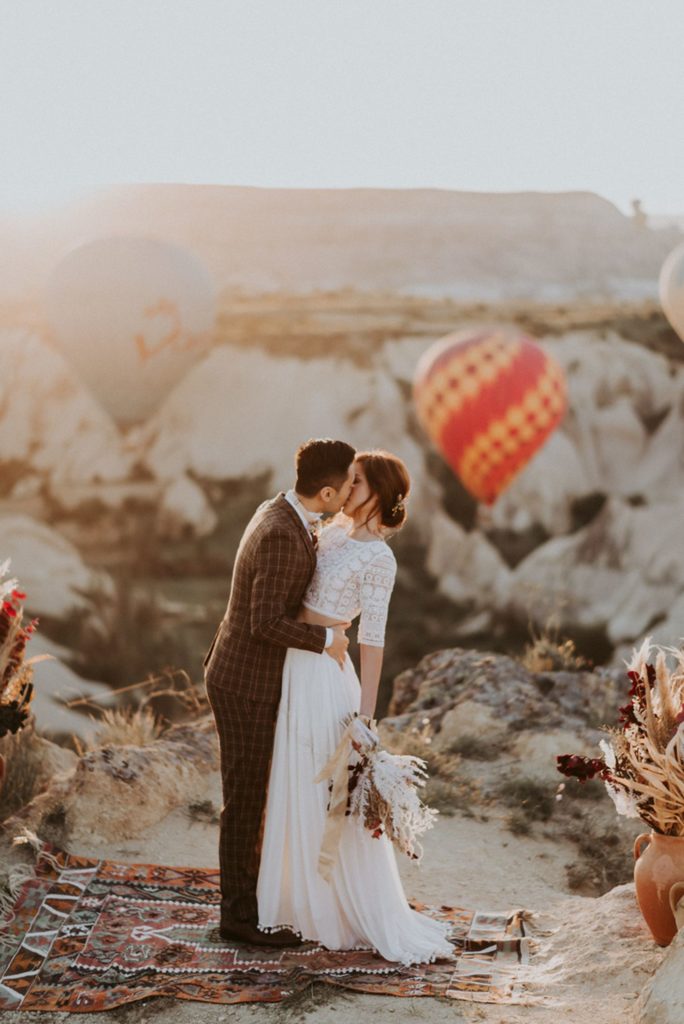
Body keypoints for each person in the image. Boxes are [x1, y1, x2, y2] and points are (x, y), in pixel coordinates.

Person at [256, 450, 455, 965]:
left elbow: (373, 641)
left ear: (378, 493)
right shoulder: (332, 530)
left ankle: (333, 911)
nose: (347, 487)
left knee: (323, 792)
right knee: (293, 782)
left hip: (327, 676)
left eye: (357, 481)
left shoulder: (379, 558)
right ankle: (293, 905)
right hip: (296, 661)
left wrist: (367, 718)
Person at [203, 438, 356, 948]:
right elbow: (264, 621)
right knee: (245, 799)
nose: (354, 489)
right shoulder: (280, 534)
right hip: (245, 683)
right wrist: (327, 640)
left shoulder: (282, 510)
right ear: (328, 491)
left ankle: (250, 902)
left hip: (243, 673)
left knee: (252, 794)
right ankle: (238, 918)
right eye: (349, 483)